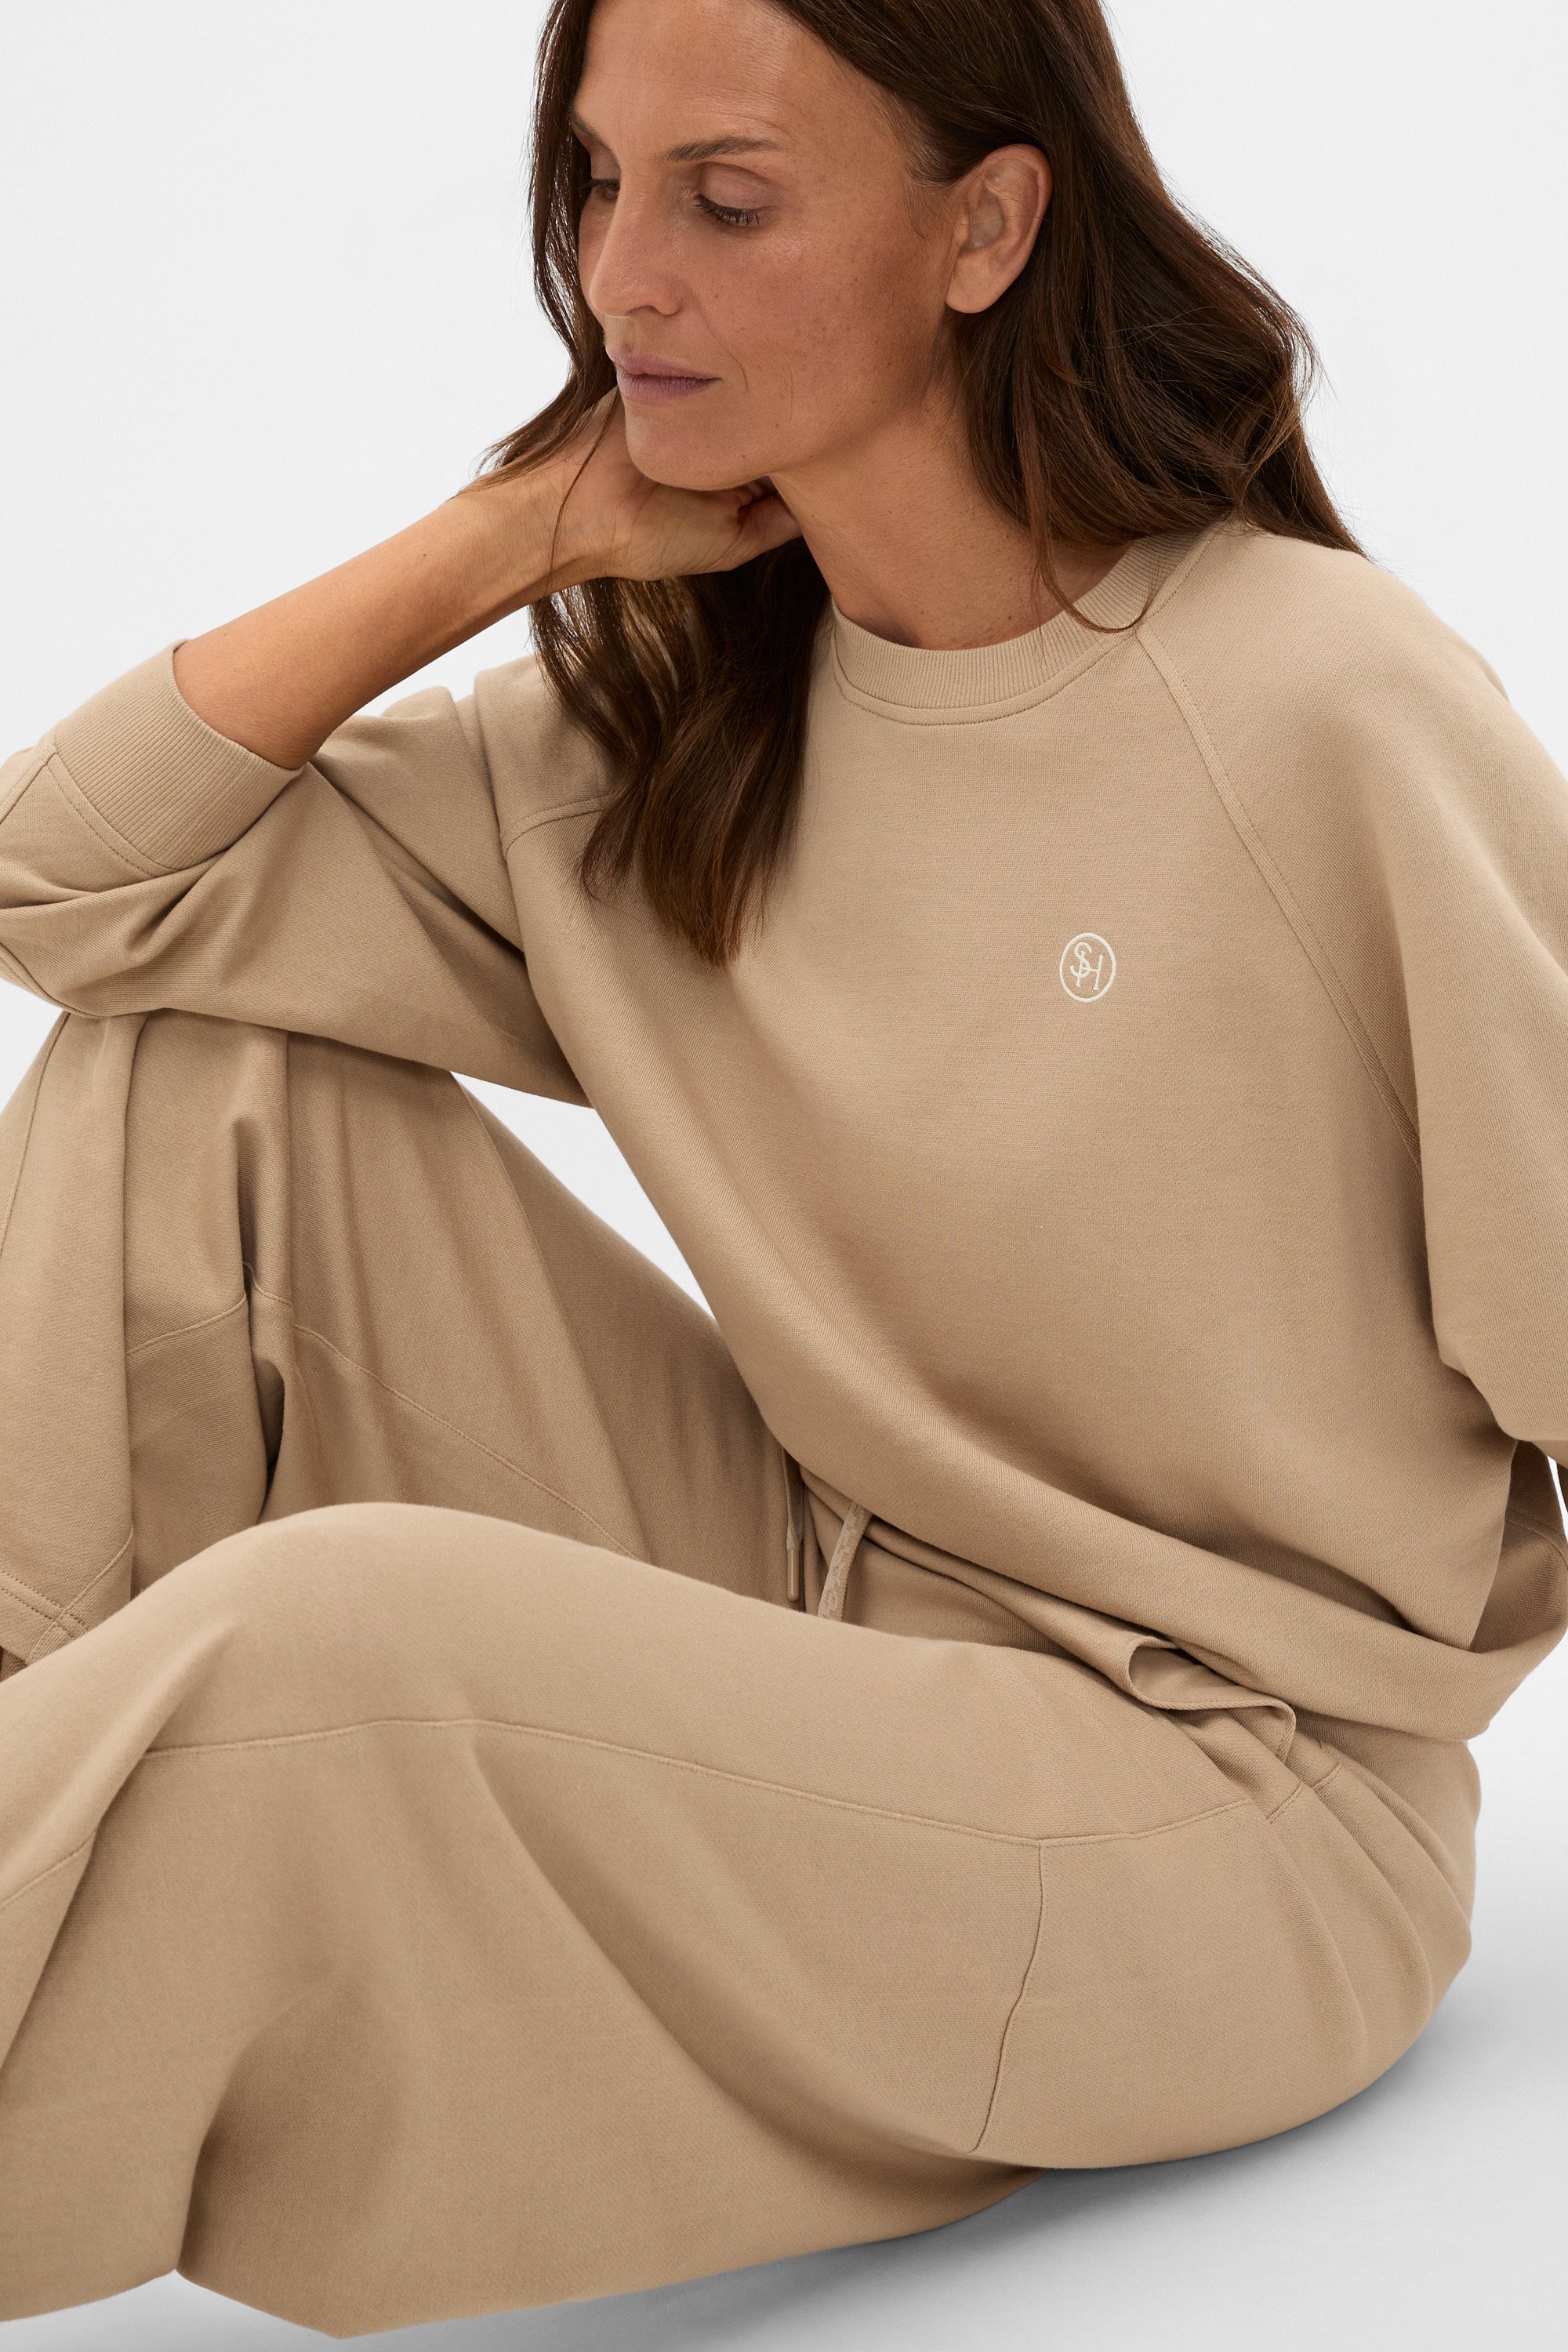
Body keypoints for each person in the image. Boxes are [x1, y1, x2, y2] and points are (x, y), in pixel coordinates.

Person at [2, 0, 1564, 2333]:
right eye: (595, 182)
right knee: (195, 1075)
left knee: (332, 1650)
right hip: (812, 1586)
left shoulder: (1320, 706)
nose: (624, 275)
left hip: (1223, 1809)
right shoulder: (670, 720)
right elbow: (71, 891)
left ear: (986, 227)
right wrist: (513, 532)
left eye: (726, 202)